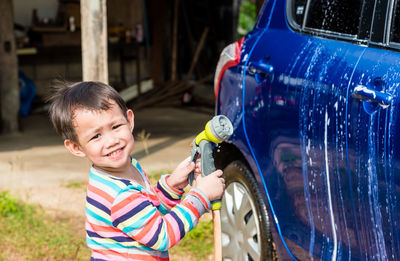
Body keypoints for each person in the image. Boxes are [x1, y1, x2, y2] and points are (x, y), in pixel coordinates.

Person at [47, 81, 225, 260]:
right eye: (96, 136)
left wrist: (172, 186)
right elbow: (162, 235)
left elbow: (147, 211)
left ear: (129, 120)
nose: (111, 141)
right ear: (76, 147)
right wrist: (200, 196)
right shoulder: (120, 196)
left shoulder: (127, 168)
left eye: (115, 127)